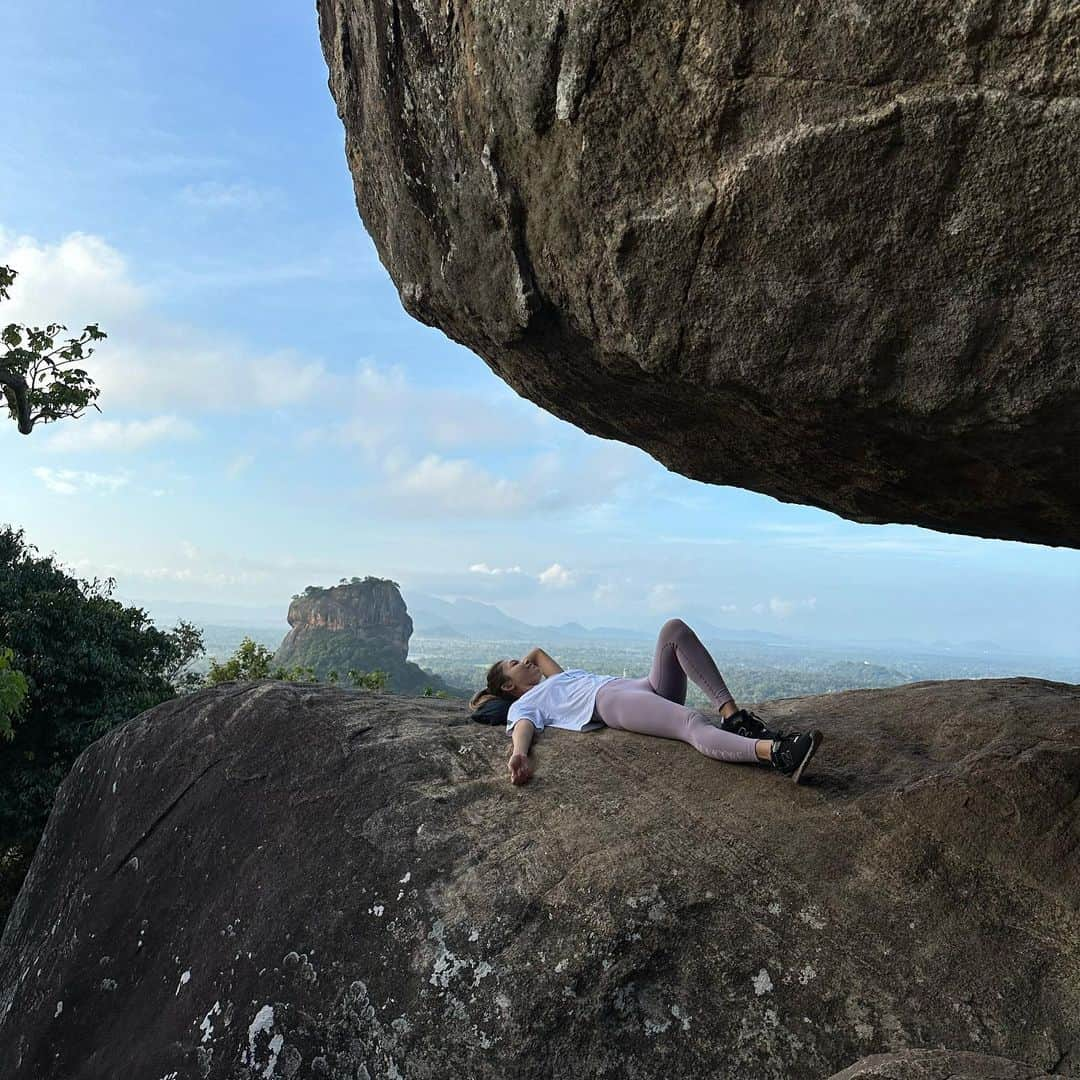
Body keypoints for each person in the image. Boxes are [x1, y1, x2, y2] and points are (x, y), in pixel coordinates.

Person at [469, 618, 823, 787]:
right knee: (690, 724)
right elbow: (524, 727)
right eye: (515, 665)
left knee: (673, 631)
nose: (526, 662)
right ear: (507, 685)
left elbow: (537, 652)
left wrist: (518, 669)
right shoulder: (524, 705)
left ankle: (733, 717)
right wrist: (519, 753)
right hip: (610, 703)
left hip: (637, 686)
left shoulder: (554, 678)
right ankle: (776, 754)